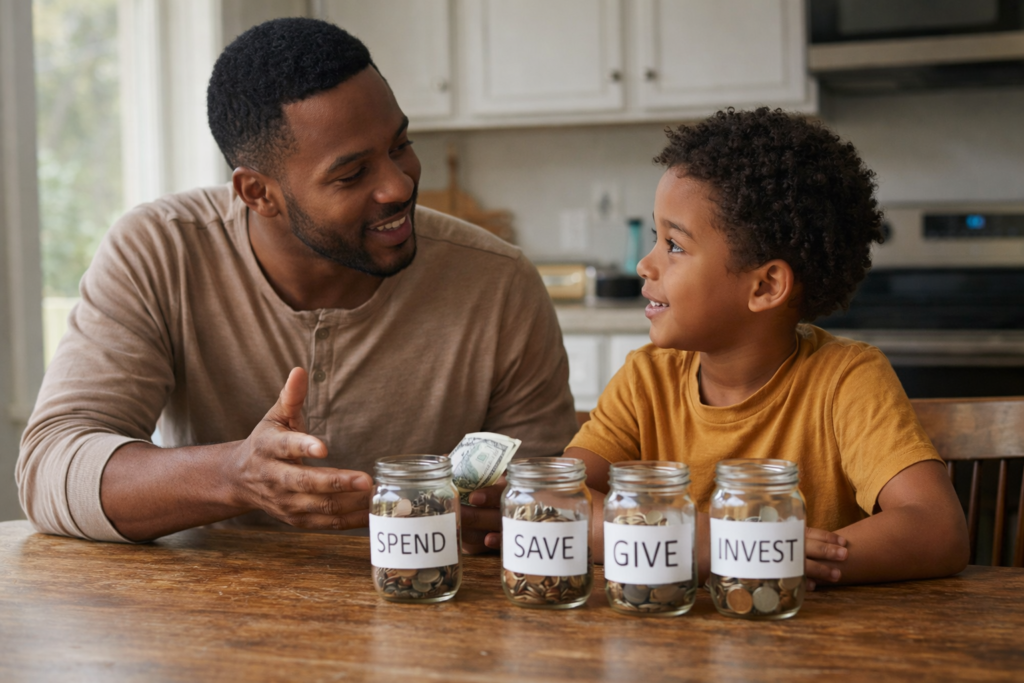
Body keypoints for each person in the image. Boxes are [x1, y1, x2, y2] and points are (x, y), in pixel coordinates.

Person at [17, 18, 578, 548]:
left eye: (400, 145)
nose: (399, 184)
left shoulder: (498, 282)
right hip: (204, 621)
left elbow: (549, 498)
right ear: (257, 193)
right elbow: (50, 469)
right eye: (352, 173)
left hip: (429, 615)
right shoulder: (159, 251)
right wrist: (232, 476)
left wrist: (509, 511)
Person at [562, 108, 969, 587]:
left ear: (765, 286)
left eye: (673, 245)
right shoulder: (645, 379)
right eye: (656, 237)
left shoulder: (846, 379)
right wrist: (703, 540)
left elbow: (938, 529)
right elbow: (558, 502)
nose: (643, 265)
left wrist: (769, 556)